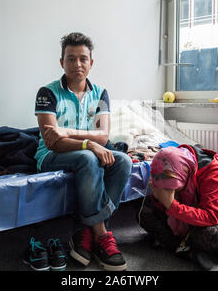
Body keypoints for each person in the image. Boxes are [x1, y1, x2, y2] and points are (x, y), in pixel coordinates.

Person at [33, 32, 132, 271]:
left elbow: (103, 136)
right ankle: (101, 233)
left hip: (81, 150)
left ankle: (84, 232)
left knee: (124, 161)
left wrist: (67, 132)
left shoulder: (101, 94)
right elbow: (52, 141)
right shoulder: (47, 93)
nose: (77, 64)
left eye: (83, 59)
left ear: (91, 63)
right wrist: (89, 143)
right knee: (89, 158)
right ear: (62, 62)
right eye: (71, 58)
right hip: (50, 156)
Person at [138, 144, 218, 270]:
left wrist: (171, 205)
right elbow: (161, 208)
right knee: (143, 213)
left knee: (207, 234)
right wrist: (158, 198)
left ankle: (177, 246)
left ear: (185, 172)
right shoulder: (171, 165)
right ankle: (188, 250)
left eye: (172, 187)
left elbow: (212, 217)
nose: (169, 191)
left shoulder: (213, 172)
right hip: (186, 220)